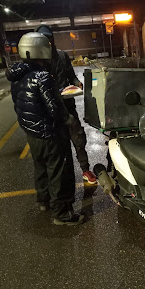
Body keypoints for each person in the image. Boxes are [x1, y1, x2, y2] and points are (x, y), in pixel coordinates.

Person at [6, 32, 84, 225]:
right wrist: (69, 119)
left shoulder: (17, 76)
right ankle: (62, 214)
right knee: (59, 171)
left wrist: (54, 94)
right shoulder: (42, 76)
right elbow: (54, 109)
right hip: (49, 133)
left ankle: (43, 201)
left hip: (32, 132)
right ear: (42, 50)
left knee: (40, 166)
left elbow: (24, 101)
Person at [35, 25, 97, 185]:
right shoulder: (36, 61)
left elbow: (71, 76)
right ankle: (64, 177)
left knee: (78, 139)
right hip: (50, 113)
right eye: (43, 39)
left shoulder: (62, 56)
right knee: (58, 146)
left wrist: (77, 84)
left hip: (68, 107)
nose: (47, 42)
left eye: (49, 39)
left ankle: (86, 170)